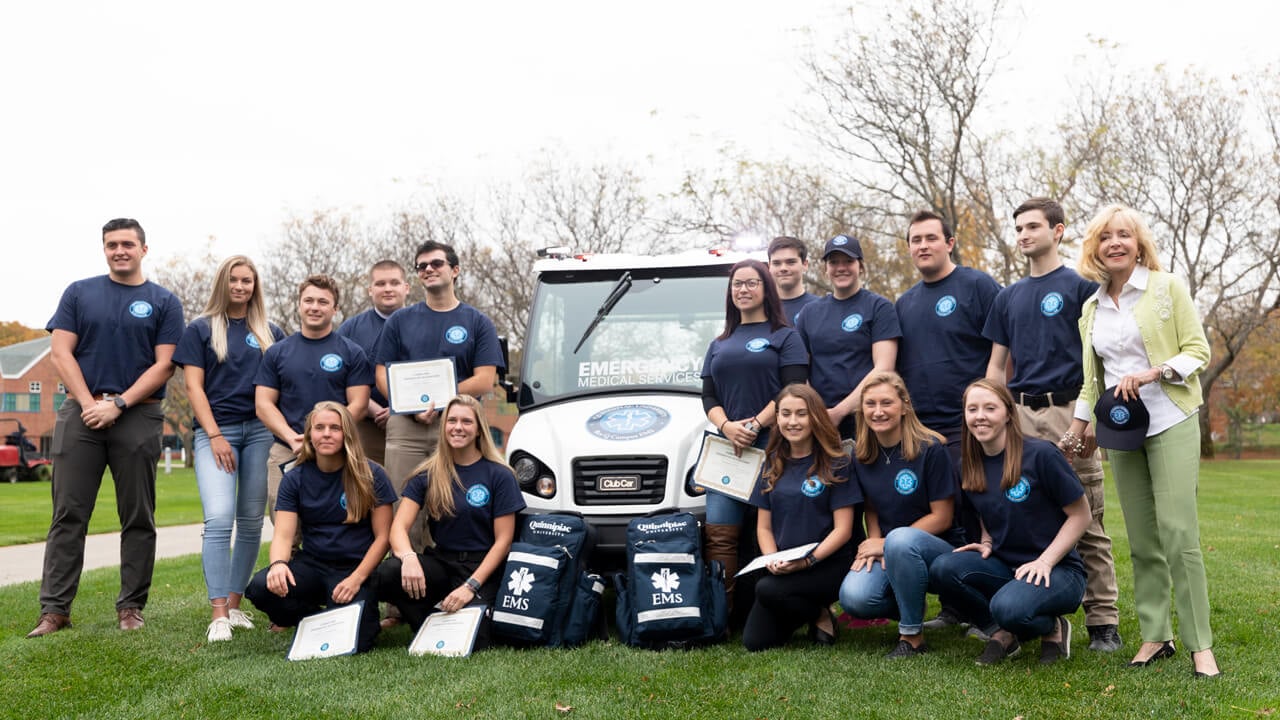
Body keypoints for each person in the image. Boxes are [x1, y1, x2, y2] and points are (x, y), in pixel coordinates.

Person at [1064, 204, 1220, 677]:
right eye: (1105, 237)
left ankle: (1200, 644)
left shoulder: (1166, 287)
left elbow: (1198, 350)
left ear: (1138, 244)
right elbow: (1093, 382)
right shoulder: (1091, 308)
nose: (1115, 243)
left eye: (1123, 235)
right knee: (1141, 538)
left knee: (1178, 533)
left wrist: (1156, 371)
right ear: (1095, 248)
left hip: (1170, 417)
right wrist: (1076, 430)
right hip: (1120, 429)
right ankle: (1156, 635)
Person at [29, 218, 183, 638]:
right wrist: (88, 404)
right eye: (112, 244)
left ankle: (131, 607)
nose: (120, 250)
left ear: (143, 250)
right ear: (104, 249)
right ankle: (55, 610)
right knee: (68, 514)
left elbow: (165, 365)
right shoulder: (79, 293)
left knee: (138, 515)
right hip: (80, 413)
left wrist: (118, 404)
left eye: (128, 244)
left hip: (138, 414)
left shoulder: (164, 301)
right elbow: (61, 353)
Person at [983, 197, 1122, 652]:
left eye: (1032, 227)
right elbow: (996, 366)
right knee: (1022, 513)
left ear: (1057, 231)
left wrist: (1093, 421)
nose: (1023, 235)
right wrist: (991, 413)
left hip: (1071, 411)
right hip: (1019, 415)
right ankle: (1033, 613)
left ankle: (1102, 620)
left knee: (1086, 514)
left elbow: (1101, 360)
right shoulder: (1007, 297)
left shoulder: (1082, 287)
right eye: (1018, 228)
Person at [929, 380, 1090, 666]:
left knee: (1008, 608)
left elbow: (1081, 516)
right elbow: (983, 508)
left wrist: (1045, 561)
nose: (980, 416)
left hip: (1059, 570)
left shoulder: (1041, 454)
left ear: (1007, 414)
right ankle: (1003, 632)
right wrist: (987, 540)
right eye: (972, 409)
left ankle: (1051, 627)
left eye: (990, 408)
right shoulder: (968, 464)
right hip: (1007, 566)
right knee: (943, 569)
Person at [895, 210, 1000, 630]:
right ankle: (955, 607)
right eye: (915, 240)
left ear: (949, 243)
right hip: (922, 430)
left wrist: (990, 408)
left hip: (968, 425)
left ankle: (990, 604)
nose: (923, 246)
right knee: (942, 515)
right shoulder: (904, 303)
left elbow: (1002, 349)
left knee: (977, 510)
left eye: (931, 238)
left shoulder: (978, 286)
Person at [173, 255, 284, 642]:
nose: (240, 286)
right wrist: (215, 435)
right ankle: (218, 612)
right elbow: (193, 387)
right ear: (223, 283)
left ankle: (235, 606)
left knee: (251, 521)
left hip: (260, 433)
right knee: (219, 518)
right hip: (215, 433)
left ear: (255, 286)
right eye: (234, 280)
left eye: (247, 281)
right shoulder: (201, 329)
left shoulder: (271, 331)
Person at [375, 241, 504, 551]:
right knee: (403, 506)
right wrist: (412, 407)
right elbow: (381, 374)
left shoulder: (478, 322)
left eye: (436, 263)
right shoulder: (399, 321)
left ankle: (449, 575)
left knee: (454, 504)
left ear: (455, 270)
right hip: (407, 425)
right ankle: (403, 576)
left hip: (458, 425)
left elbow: (485, 379)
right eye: (421, 266)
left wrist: (442, 398)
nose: (428, 269)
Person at [244, 401, 396, 654]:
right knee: (260, 588)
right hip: (313, 565)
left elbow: (383, 538)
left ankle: (345, 616)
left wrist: (356, 579)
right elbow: (283, 535)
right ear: (309, 434)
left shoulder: (371, 474)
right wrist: (278, 564)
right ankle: (312, 619)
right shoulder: (294, 478)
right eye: (319, 427)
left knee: (358, 643)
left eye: (335, 428)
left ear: (347, 434)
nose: (326, 434)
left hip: (355, 568)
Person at [701, 259, 808, 612]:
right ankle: (722, 615)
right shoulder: (719, 342)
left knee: (776, 528)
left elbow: (794, 389)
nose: (743, 289)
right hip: (727, 448)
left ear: (766, 288)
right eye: (737, 284)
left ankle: (783, 607)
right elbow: (709, 396)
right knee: (720, 532)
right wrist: (727, 427)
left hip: (773, 445)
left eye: (751, 283)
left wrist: (755, 425)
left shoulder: (785, 336)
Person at [375, 395, 525, 645]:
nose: (458, 427)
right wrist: (409, 558)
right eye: (452, 420)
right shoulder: (428, 473)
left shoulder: (499, 474)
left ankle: (441, 618)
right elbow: (398, 528)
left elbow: (503, 542)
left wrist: (470, 586)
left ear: (479, 429)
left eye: (466, 421)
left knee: (477, 639)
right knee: (389, 571)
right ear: (443, 427)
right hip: (443, 563)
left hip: (483, 567)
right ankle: (427, 619)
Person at [836, 371, 958, 658]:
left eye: (886, 403)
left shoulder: (931, 448)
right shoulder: (862, 454)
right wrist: (874, 543)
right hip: (890, 545)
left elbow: (942, 517)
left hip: (937, 549)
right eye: (870, 404)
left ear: (904, 405)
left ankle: (912, 636)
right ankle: (910, 601)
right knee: (853, 598)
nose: (878, 411)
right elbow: (872, 508)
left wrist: (887, 542)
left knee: (901, 540)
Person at [743, 384, 858, 651]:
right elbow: (764, 528)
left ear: (815, 416)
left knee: (767, 590)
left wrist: (807, 561)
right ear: (777, 418)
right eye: (785, 414)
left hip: (827, 564)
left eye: (801, 414)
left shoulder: (837, 462)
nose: (792, 421)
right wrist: (772, 560)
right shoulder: (771, 462)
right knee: (755, 642)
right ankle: (815, 613)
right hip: (786, 564)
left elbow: (843, 530)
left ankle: (817, 608)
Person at [255, 275, 372, 526]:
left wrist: (328, 436)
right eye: (308, 301)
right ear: (299, 305)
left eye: (323, 302)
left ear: (335, 309)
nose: (314, 307)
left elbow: (360, 403)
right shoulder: (277, 352)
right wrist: (292, 437)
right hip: (288, 448)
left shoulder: (352, 352)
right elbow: (263, 404)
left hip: (339, 450)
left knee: (342, 520)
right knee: (285, 523)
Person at [794, 235, 901, 439]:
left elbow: (884, 367)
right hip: (819, 422)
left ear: (861, 267)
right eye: (834, 262)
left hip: (867, 419)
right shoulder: (809, 313)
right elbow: (799, 370)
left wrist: (839, 412)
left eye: (848, 261)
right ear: (825, 269)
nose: (841, 268)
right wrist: (817, 411)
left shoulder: (879, 307)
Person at [338, 260, 409, 466]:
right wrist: (375, 411)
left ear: (406, 287)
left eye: (394, 283)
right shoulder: (350, 329)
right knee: (368, 483)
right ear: (370, 290)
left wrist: (400, 410)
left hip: (416, 425)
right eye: (380, 284)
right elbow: (340, 379)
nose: (387, 289)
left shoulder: (423, 323)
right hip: (367, 426)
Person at [767, 235, 818, 325]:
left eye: (791, 262)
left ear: (805, 265)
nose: (783, 268)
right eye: (776, 263)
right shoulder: (759, 310)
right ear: (769, 266)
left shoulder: (821, 308)